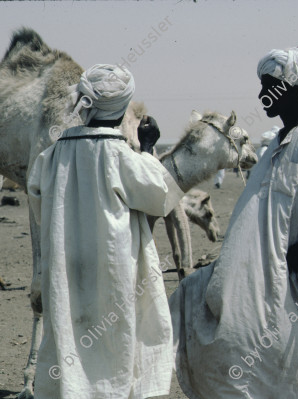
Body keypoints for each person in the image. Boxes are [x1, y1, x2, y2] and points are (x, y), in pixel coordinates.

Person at [169, 46, 298, 398]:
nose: (261, 95)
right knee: (200, 306)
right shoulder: (277, 144)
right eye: (261, 85)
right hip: (260, 274)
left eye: (269, 85)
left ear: (292, 87)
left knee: (290, 357)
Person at [27, 65, 184, 398]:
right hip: (115, 270)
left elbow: (39, 206)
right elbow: (161, 196)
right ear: (122, 107)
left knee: (70, 334)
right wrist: (149, 148)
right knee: (116, 342)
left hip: (68, 271)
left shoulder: (51, 156)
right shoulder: (122, 157)